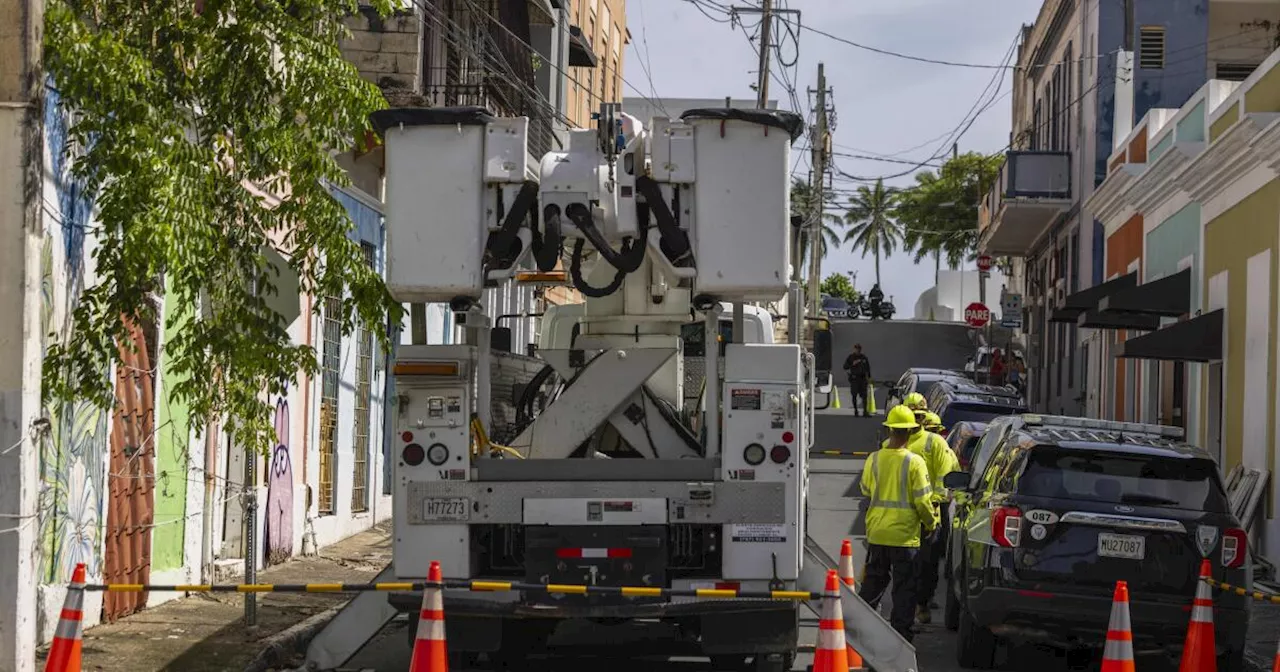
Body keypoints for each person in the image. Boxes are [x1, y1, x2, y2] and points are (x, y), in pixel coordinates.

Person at [859, 405, 937, 642]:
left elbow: (865, 490)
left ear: (889, 430)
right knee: (904, 589)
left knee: (873, 584)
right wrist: (931, 523)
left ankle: (859, 629)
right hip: (904, 537)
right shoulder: (915, 463)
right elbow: (923, 501)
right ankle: (900, 635)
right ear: (912, 432)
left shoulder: (874, 459)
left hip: (877, 533)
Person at [915, 411, 960, 623]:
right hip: (935, 508)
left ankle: (917, 602)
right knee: (930, 559)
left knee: (915, 560)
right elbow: (955, 478)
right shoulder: (944, 449)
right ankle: (923, 602)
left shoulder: (904, 445)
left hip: (915, 510)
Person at [842, 344, 872, 417]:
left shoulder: (863, 357)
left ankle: (865, 411)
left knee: (864, 396)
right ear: (854, 349)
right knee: (854, 395)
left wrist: (869, 377)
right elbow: (845, 367)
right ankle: (856, 410)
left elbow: (868, 368)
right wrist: (853, 364)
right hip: (855, 379)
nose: (858, 350)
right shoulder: (851, 357)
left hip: (862, 379)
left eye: (859, 349)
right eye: (856, 349)